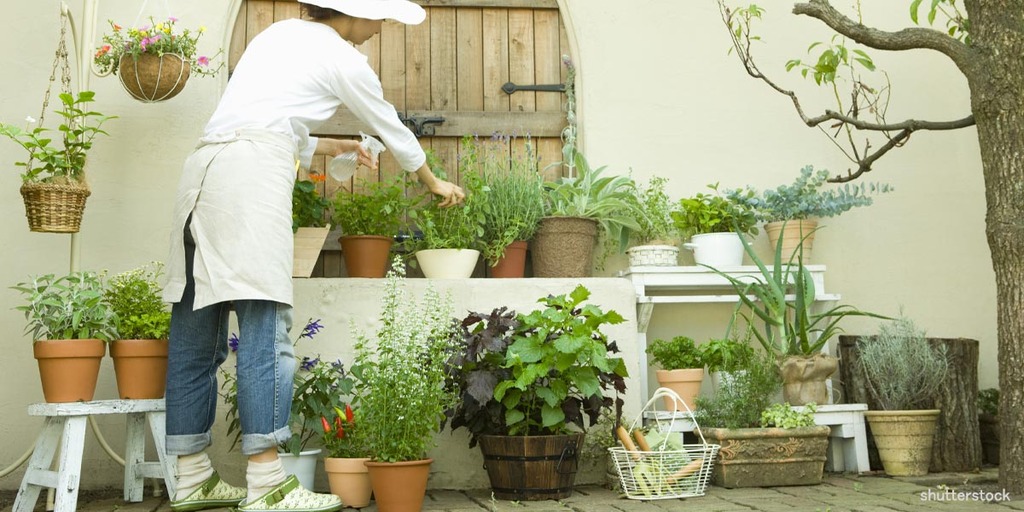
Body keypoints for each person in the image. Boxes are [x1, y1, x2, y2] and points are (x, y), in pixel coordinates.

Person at [161, 1, 465, 511]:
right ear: (356, 13)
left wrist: (329, 148)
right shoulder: (345, 58)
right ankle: (267, 483)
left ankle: (190, 475)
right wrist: (433, 181)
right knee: (264, 326)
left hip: (203, 171)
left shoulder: (278, 34)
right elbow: (390, 125)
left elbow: (264, 120)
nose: (380, 28)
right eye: (381, 18)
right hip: (249, 178)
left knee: (196, 329)